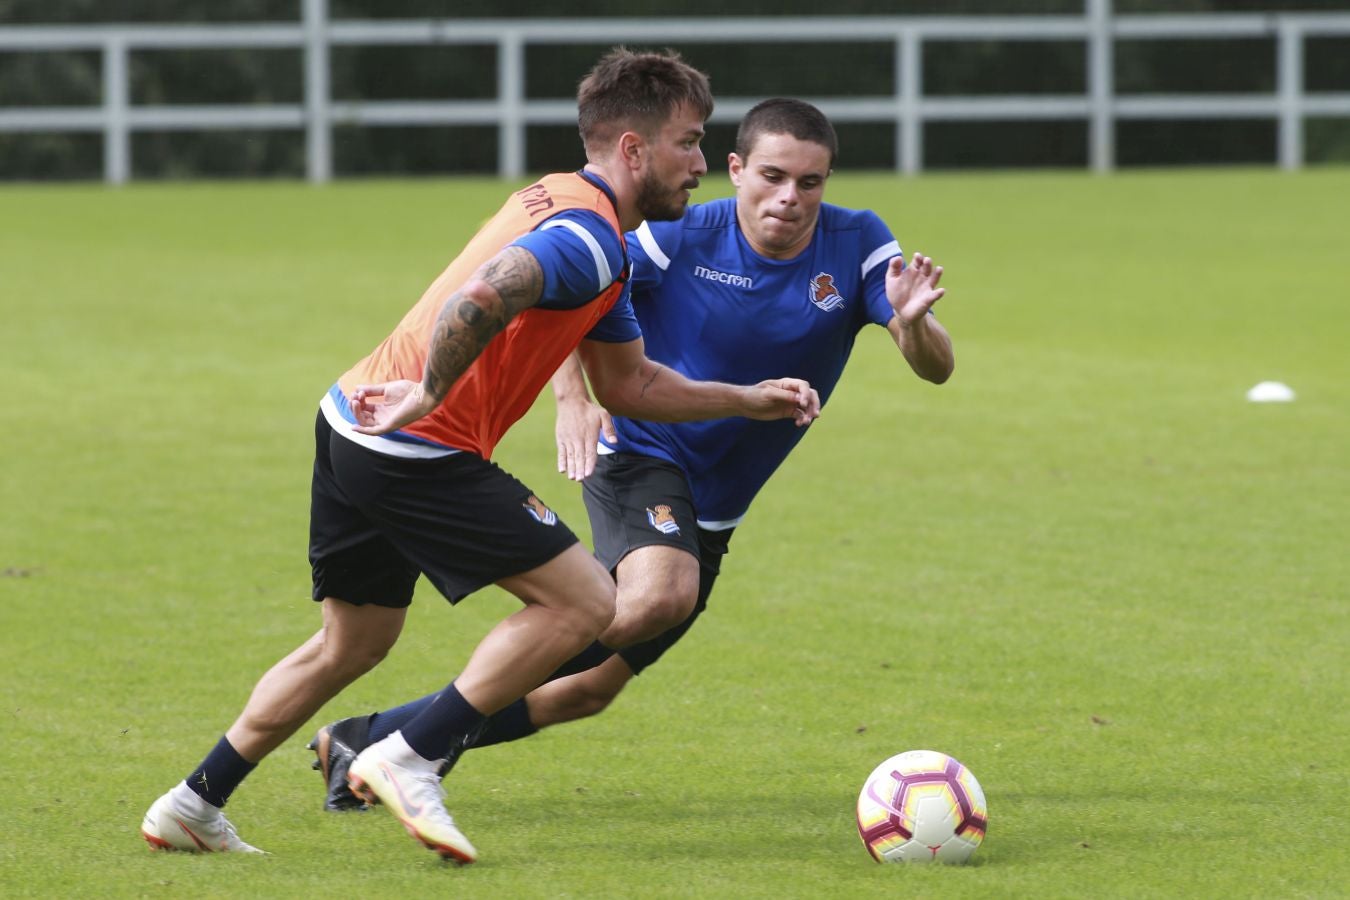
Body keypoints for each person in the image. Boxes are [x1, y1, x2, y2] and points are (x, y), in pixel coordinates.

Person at [139, 52, 822, 863]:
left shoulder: (566, 205)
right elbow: (487, 292)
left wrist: (745, 399)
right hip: (414, 444)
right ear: (634, 150)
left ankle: (193, 801)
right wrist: (429, 393)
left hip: (349, 422)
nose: (702, 164)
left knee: (351, 645)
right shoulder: (590, 237)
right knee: (585, 604)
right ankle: (410, 756)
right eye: (689, 142)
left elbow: (629, 383)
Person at [309, 98, 954, 812]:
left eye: (810, 182)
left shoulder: (859, 242)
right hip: (644, 450)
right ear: (736, 169)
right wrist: (574, 399)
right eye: (773, 176)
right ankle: (406, 755)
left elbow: (934, 367)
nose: (789, 198)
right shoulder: (680, 233)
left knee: (585, 689)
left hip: (718, 505)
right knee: (654, 597)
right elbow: (559, 299)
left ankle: (367, 741)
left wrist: (915, 323)